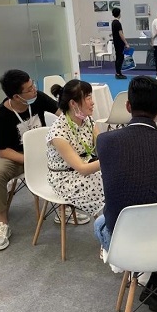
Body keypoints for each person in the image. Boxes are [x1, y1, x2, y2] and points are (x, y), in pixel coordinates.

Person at [95, 76, 157, 312]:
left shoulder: (104, 142)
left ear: (128, 106)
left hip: (123, 240)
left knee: (99, 223)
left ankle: (154, 273)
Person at [0, 70, 72, 251]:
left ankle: (63, 208)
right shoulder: (1, 115)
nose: (34, 90)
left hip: (46, 151)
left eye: (33, 85)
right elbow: (1, 150)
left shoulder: (39, 98)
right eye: (29, 89)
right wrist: (28, 159)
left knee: (70, 159)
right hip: (18, 157)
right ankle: (2, 224)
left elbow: (62, 114)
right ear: (16, 96)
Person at [46, 80, 105, 221]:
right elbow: (82, 169)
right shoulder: (58, 132)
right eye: (88, 98)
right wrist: (110, 160)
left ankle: (113, 222)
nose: (92, 103)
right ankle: (111, 224)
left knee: (116, 176)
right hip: (65, 177)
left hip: (86, 167)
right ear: (73, 103)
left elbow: (101, 145)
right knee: (108, 182)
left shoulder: (87, 120)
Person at [111, 7, 129, 80]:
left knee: (118, 57)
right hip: (119, 43)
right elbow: (120, 34)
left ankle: (118, 72)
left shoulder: (113, 22)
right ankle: (118, 73)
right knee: (120, 58)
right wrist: (126, 43)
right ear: (119, 14)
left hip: (116, 43)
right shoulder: (118, 23)